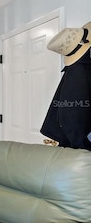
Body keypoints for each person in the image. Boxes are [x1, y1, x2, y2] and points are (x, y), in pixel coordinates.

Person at [40, 22, 91, 150]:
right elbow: (70, 115)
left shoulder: (77, 69)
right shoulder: (79, 72)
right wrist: (82, 148)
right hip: (79, 144)